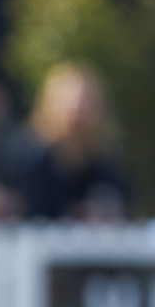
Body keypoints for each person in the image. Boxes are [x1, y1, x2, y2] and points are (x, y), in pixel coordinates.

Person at [11, 61, 132, 221]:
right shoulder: (27, 159)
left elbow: (122, 202)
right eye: (68, 103)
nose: (77, 113)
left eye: (86, 104)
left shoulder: (106, 162)